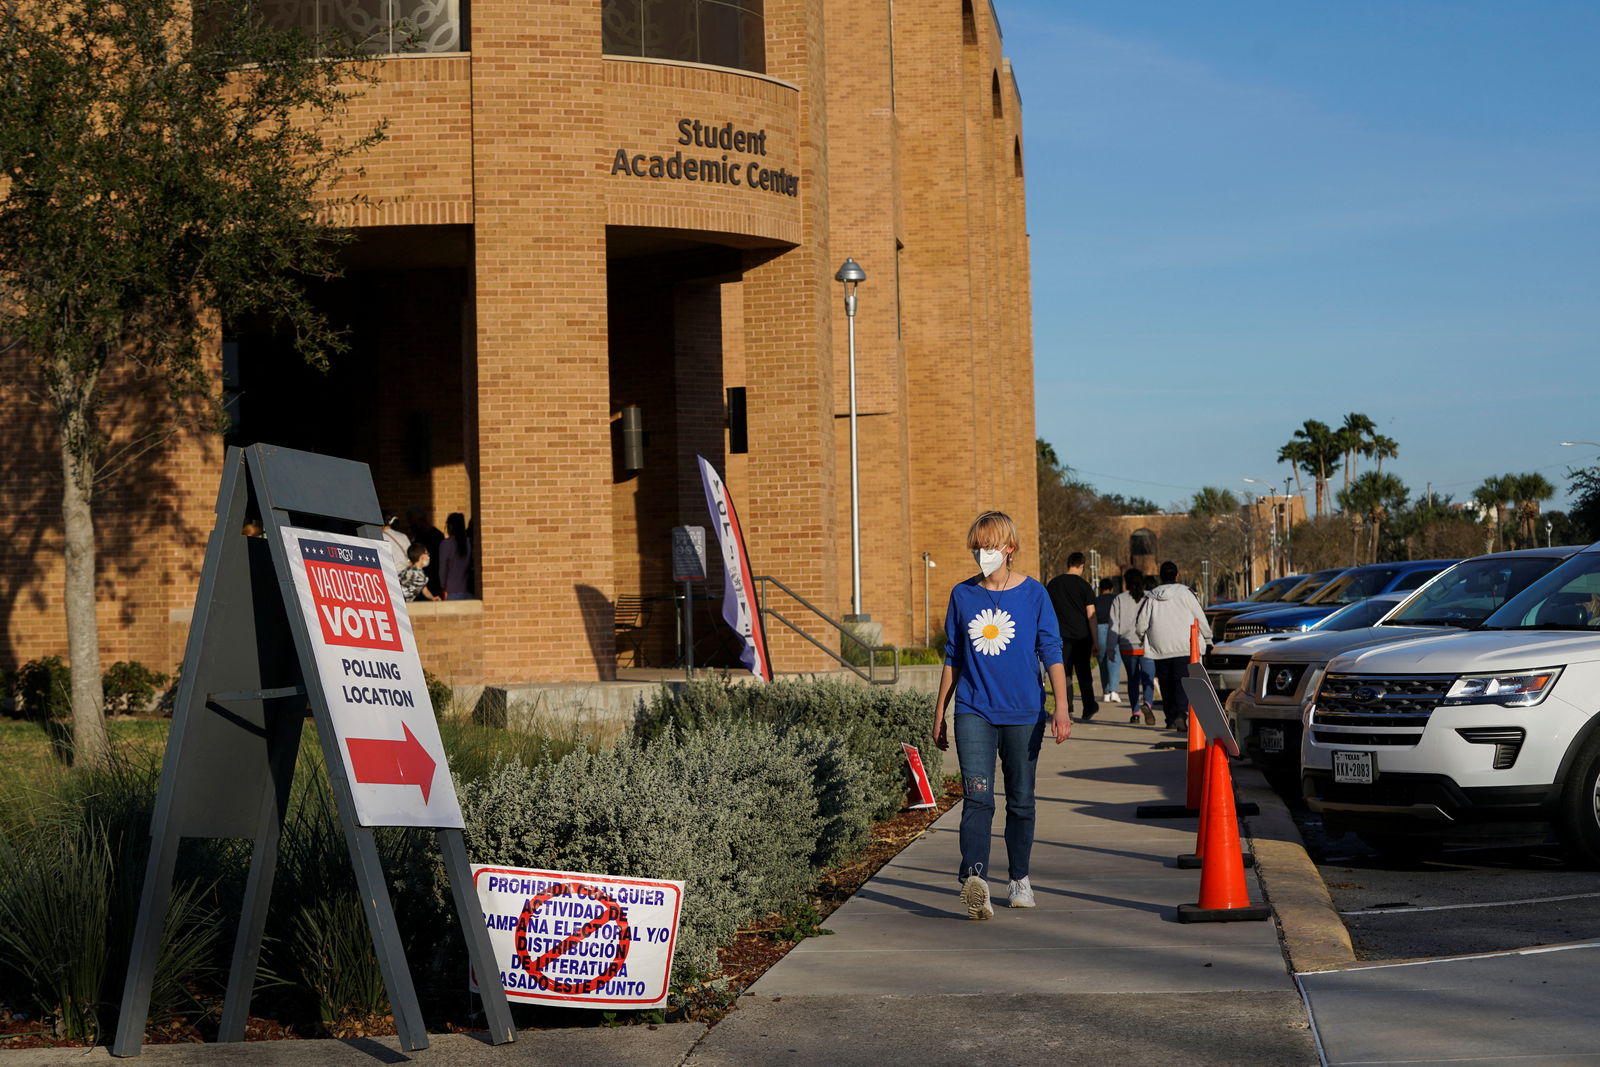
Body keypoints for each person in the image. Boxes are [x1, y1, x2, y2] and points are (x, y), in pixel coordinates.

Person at [933, 510, 1071, 921]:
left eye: (990, 546)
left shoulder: (1035, 595)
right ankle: (975, 880)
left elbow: (1052, 652)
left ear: (1009, 548)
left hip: (1025, 712)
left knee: (1021, 801)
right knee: (977, 797)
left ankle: (1019, 879)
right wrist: (940, 710)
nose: (983, 553)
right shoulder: (962, 595)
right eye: (977, 547)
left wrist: (1061, 707)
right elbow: (953, 656)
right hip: (973, 710)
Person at [1133, 560, 1213, 730]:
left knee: (1165, 683)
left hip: (1160, 647)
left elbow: (1141, 624)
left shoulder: (1151, 596)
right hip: (1184, 645)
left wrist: (1142, 637)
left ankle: (1169, 717)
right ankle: (1180, 714)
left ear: (1161, 577)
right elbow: (1200, 617)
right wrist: (1208, 638)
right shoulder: (1186, 593)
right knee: (1182, 682)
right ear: (1177, 575)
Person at [1046, 551, 1099, 721]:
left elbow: (1046, 612)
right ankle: (1089, 706)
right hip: (1082, 637)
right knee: (1084, 674)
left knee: (1063, 673)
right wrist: (1096, 641)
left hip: (1060, 636)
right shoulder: (1084, 586)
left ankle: (1066, 707)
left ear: (1068, 564)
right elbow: (1091, 613)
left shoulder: (1053, 584)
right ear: (1082, 565)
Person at [1109, 568, 1156, 724]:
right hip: (1147, 645)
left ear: (1126, 582)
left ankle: (1135, 712)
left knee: (1133, 680)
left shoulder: (1119, 599)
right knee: (1148, 678)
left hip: (1126, 646)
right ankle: (1147, 703)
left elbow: (1114, 625)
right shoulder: (1150, 597)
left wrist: (1110, 647)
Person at [1093, 577, 1121, 707]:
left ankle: (1105, 692)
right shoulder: (1116, 599)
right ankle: (1114, 691)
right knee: (1114, 660)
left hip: (1098, 629)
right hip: (1113, 628)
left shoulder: (1095, 600)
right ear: (1111, 588)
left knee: (1102, 661)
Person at [405, 506, 444, 597]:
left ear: (420, 520)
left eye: (412, 522)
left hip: (434, 583)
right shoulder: (416, 537)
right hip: (420, 583)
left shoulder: (436, 536)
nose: (410, 525)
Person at [439, 511, 473, 600]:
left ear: (450, 526)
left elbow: (443, 569)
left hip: (452, 590)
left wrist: (443, 585)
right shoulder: (469, 542)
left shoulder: (445, 544)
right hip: (468, 590)